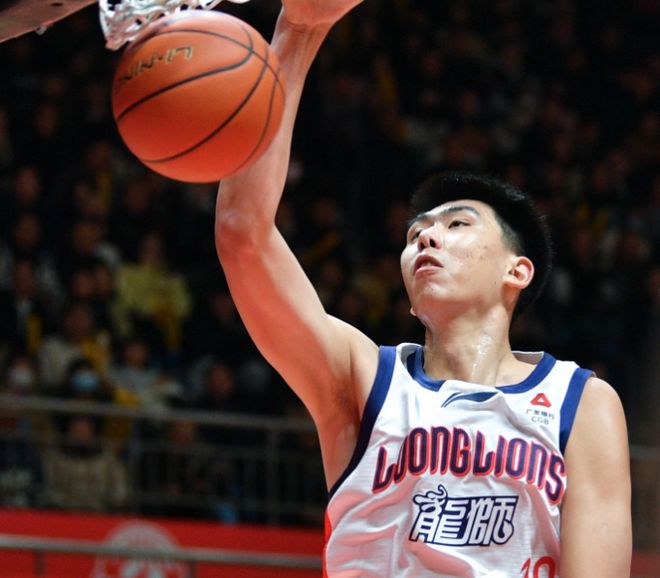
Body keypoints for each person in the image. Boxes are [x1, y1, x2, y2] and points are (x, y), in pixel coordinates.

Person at [214, 2, 632, 577]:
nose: (426, 238)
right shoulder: (365, 379)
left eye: (457, 224)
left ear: (517, 271)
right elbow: (242, 232)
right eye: (415, 235)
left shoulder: (580, 402)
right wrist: (299, 30)